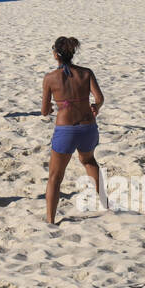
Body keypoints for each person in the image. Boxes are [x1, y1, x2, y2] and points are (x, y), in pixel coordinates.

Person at [41, 36, 105, 225]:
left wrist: (52, 108)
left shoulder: (50, 78)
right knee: (89, 161)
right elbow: (99, 98)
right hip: (88, 127)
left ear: (55, 55)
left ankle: (51, 220)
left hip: (66, 129)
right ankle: (106, 204)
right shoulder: (86, 73)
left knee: (55, 176)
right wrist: (96, 107)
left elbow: (44, 111)